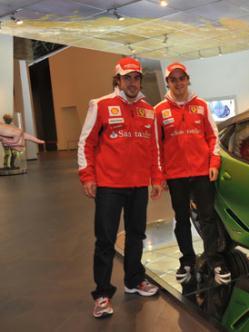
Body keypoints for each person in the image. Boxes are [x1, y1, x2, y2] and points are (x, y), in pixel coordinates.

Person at [78, 57, 163, 319]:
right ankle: (102, 294)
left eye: (136, 77)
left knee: (136, 235)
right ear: (118, 80)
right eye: (127, 78)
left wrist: (157, 177)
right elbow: (85, 143)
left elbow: (154, 148)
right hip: (109, 186)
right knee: (105, 241)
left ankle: (134, 280)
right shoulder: (100, 105)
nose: (132, 82)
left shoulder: (148, 109)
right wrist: (87, 176)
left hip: (138, 185)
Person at [154, 62, 231, 286]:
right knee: (181, 220)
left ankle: (214, 260)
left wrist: (214, 162)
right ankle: (186, 260)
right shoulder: (159, 110)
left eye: (181, 78)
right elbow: (156, 146)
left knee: (208, 218)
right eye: (173, 79)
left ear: (188, 80)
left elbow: (213, 137)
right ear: (167, 82)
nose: (178, 83)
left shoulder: (202, 106)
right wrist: (160, 175)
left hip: (201, 173)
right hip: (176, 176)